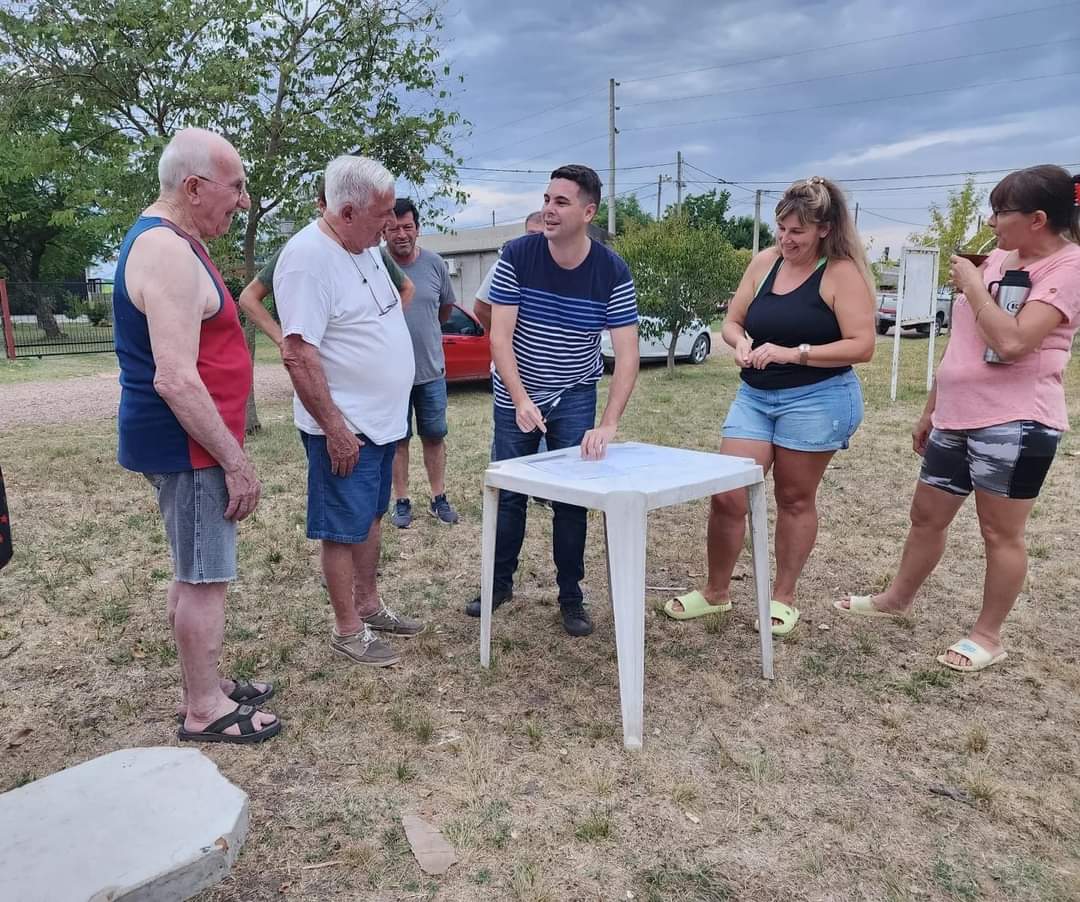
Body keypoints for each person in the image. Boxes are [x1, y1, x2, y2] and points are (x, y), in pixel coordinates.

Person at [838, 165, 1080, 672]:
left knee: (999, 533)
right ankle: (897, 599)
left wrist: (973, 286)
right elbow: (964, 343)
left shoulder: (1067, 268)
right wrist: (932, 408)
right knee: (926, 516)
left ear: (1037, 219)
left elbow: (1012, 342)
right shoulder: (997, 259)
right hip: (956, 416)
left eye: (1000, 212)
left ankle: (987, 636)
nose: (991, 222)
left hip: (1016, 422)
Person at [112, 128, 280, 744]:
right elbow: (177, 379)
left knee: (193, 571)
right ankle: (204, 708)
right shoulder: (167, 251)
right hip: (191, 449)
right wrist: (234, 461)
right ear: (193, 187)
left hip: (189, 446)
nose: (244, 200)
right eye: (236, 187)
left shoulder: (177, 242)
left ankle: (202, 684)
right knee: (206, 577)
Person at [664, 176, 875, 635]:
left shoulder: (841, 273)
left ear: (824, 229)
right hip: (755, 397)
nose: (786, 239)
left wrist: (794, 353)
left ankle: (783, 597)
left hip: (817, 397)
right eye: (781, 228)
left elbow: (862, 346)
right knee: (727, 493)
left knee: (794, 497)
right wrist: (739, 342)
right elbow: (732, 322)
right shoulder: (764, 262)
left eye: (798, 231)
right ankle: (716, 593)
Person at [464, 164, 640, 637]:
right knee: (509, 493)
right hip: (517, 392)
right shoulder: (518, 255)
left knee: (571, 500)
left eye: (561, 202)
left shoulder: (611, 270)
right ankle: (498, 584)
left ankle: (571, 596)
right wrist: (521, 400)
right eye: (546, 199)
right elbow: (499, 338)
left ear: (588, 212)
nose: (549, 209)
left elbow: (627, 355)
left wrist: (608, 423)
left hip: (575, 393)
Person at [275, 154, 425, 668]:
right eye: (382, 215)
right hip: (345, 428)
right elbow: (298, 353)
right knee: (341, 528)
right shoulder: (307, 259)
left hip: (381, 423)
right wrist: (335, 429)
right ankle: (346, 628)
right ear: (345, 212)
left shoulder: (363, 248)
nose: (390, 225)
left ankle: (368, 605)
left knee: (370, 517)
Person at [237, 179, 415, 349]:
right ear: (321, 206)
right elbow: (249, 298)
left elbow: (407, 287)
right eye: (328, 207)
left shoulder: (370, 247)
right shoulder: (301, 250)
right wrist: (283, 342)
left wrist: (387, 327)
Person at [384, 198, 460, 528]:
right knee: (398, 440)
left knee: (434, 436)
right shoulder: (375, 264)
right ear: (383, 231)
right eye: (393, 228)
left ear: (417, 228)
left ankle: (438, 498)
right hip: (390, 375)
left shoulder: (435, 264)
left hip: (431, 372)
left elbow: (445, 309)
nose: (401, 234)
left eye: (407, 227)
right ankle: (401, 501)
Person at [473, 211, 545, 333]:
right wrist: (504, 337)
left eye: (540, 236)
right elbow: (481, 309)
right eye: (531, 235)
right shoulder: (507, 265)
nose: (535, 241)